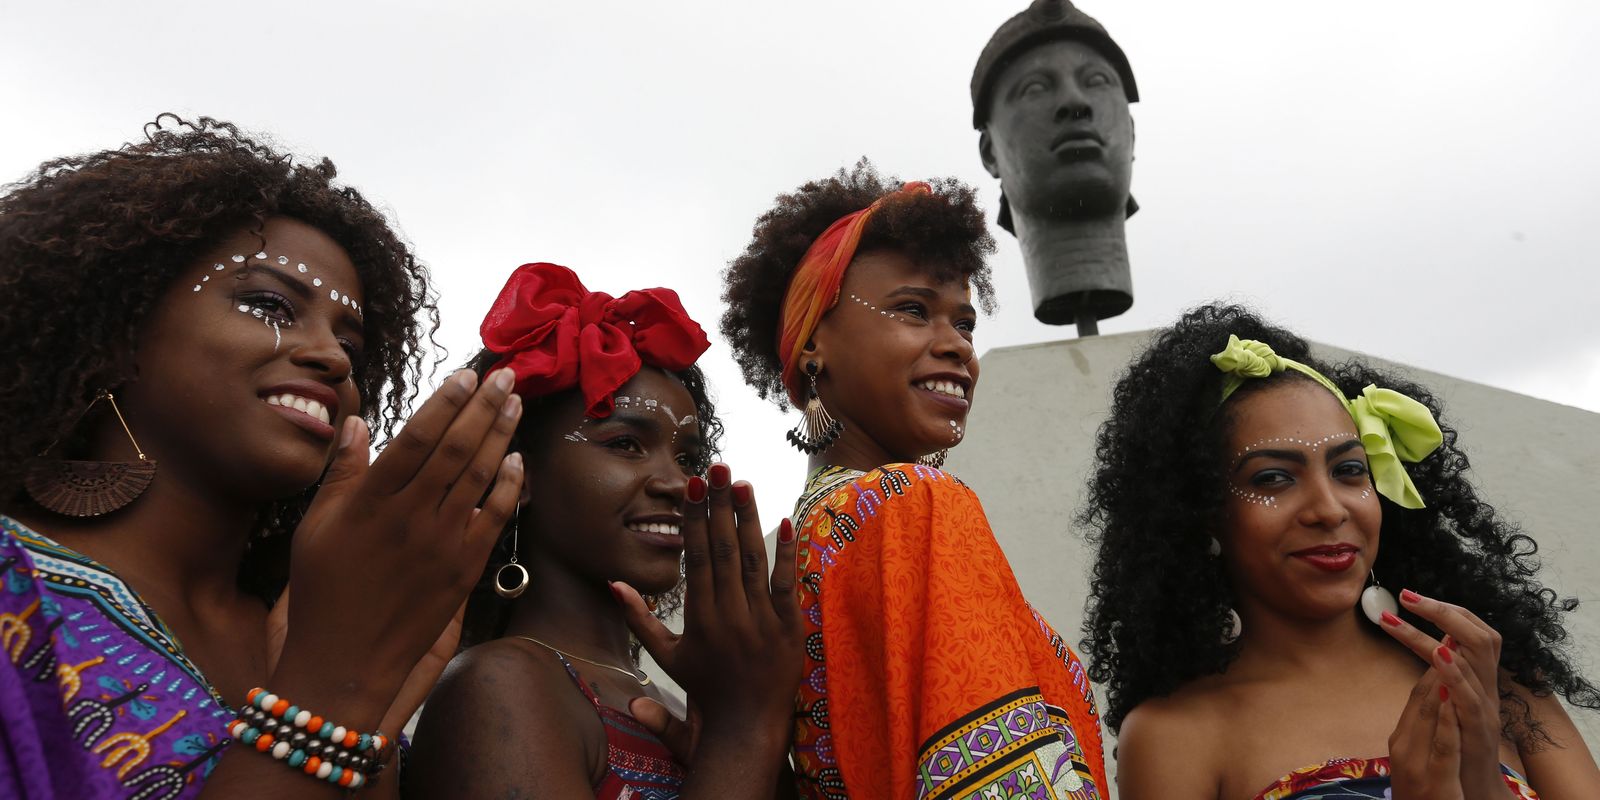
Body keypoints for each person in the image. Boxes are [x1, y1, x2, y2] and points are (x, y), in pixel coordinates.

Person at [0, 115, 522, 799]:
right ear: (116, 332)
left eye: (354, 348)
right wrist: (330, 687)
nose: (332, 357)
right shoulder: (16, 589)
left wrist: (367, 718)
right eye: (270, 304)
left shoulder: (312, 621)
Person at [1080, 303, 1600, 799]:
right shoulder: (1174, 737)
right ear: (1200, 512)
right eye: (1274, 478)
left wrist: (1484, 784)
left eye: (1350, 470)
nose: (1328, 509)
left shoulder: (1493, 679)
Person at [720, 161, 1108, 799]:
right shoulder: (913, 505)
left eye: (964, 323)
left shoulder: (813, 536)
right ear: (814, 343)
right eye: (912, 310)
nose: (957, 345)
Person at [403, 262, 803, 798]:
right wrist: (747, 730)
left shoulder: (683, 705)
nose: (677, 483)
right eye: (624, 444)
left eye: (689, 457)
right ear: (516, 474)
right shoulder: (500, 684)